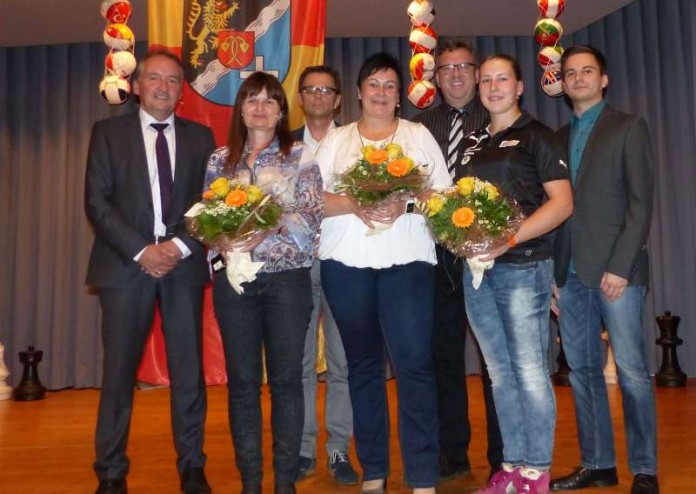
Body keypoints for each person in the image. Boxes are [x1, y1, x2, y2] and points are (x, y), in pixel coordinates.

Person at [315, 52, 451, 494]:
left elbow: (444, 196)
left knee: (414, 365)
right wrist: (357, 202)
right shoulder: (336, 141)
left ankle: (423, 477)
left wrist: (405, 202)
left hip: (407, 264)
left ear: (399, 96)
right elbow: (311, 199)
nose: (380, 92)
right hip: (346, 266)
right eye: (373, 84)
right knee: (363, 367)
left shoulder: (417, 136)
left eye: (390, 86)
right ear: (357, 92)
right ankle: (373, 470)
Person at [85, 49, 215, 494]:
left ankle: (193, 466)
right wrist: (144, 251)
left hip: (183, 266)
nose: (163, 87)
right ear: (137, 86)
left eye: (173, 80)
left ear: (181, 91)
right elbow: (97, 203)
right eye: (155, 79)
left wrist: (178, 247)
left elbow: (210, 205)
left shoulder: (201, 138)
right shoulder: (107, 133)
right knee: (119, 375)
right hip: (125, 267)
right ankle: (110, 472)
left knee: (188, 372)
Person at [455, 54, 573, 494]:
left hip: (523, 267)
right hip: (478, 271)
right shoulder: (472, 142)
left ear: (520, 86)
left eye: (502, 78)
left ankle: (536, 471)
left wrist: (510, 238)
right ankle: (512, 465)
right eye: (486, 80)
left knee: (528, 370)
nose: (493, 86)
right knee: (499, 373)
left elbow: (561, 204)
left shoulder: (538, 137)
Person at [204, 71, 323, 494]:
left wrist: (264, 229)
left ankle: (285, 483)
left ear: (280, 111)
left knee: (287, 382)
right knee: (242, 384)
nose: (260, 107)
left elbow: (311, 218)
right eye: (251, 99)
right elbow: (207, 221)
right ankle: (251, 482)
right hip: (235, 284)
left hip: (287, 283)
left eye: (269, 101)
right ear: (240, 109)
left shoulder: (302, 157)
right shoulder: (220, 161)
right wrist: (224, 238)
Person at [550, 45, 658, 494]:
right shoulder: (556, 137)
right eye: (571, 72)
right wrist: (554, 278)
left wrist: (621, 267)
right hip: (570, 276)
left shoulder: (629, 127)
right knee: (583, 373)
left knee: (631, 372)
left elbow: (640, 202)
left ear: (604, 78)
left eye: (587, 71)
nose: (578, 78)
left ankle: (644, 468)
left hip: (617, 273)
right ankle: (597, 464)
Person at [411, 38, 503, 481]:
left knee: (493, 361)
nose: (456, 74)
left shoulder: (500, 119)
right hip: (436, 257)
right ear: (436, 76)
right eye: (446, 68)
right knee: (442, 358)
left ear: (477, 71)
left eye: (464, 66)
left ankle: (502, 456)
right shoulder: (418, 126)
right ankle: (453, 452)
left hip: (490, 257)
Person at [290, 66, 359, 485]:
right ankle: (301, 448)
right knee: (297, 361)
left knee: (342, 361)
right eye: (310, 89)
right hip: (294, 265)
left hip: (342, 260)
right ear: (300, 97)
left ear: (337, 100)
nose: (317, 95)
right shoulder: (283, 147)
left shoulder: (353, 143)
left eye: (326, 90)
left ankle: (338, 450)